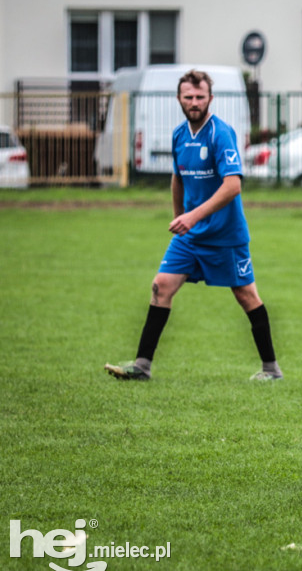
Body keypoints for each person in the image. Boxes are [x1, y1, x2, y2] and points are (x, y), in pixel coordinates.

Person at [104, 69, 282, 382]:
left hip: (226, 235)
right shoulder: (178, 135)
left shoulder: (220, 133)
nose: (194, 102)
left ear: (210, 99)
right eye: (189, 97)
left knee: (246, 296)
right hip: (191, 237)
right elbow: (178, 178)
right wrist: (179, 217)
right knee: (161, 286)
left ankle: (271, 369)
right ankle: (142, 366)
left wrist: (192, 216)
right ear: (179, 99)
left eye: (200, 97)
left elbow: (232, 186)